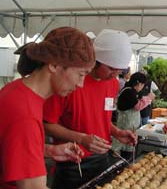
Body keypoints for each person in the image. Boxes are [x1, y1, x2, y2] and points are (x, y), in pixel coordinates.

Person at [0, 27, 94, 189]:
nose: (81, 84)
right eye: (80, 74)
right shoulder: (26, 114)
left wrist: (47, 150)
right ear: (54, 65)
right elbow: (33, 187)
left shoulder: (15, 89)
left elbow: (9, 146)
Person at [43, 29, 137, 189]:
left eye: (119, 71)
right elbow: (47, 124)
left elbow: (100, 118)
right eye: (111, 68)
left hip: (102, 157)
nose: (114, 75)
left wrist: (117, 132)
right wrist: (81, 138)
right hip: (72, 161)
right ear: (96, 60)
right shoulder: (68, 81)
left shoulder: (113, 83)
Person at [112, 72, 155, 159]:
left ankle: (122, 154)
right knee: (125, 140)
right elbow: (138, 106)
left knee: (126, 139)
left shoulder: (130, 90)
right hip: (127, 122)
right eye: (143, 85)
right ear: (139, 84)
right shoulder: (129, 91)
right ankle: (121, 156)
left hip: (128, 121)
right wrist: (149, 98)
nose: (142, 87)